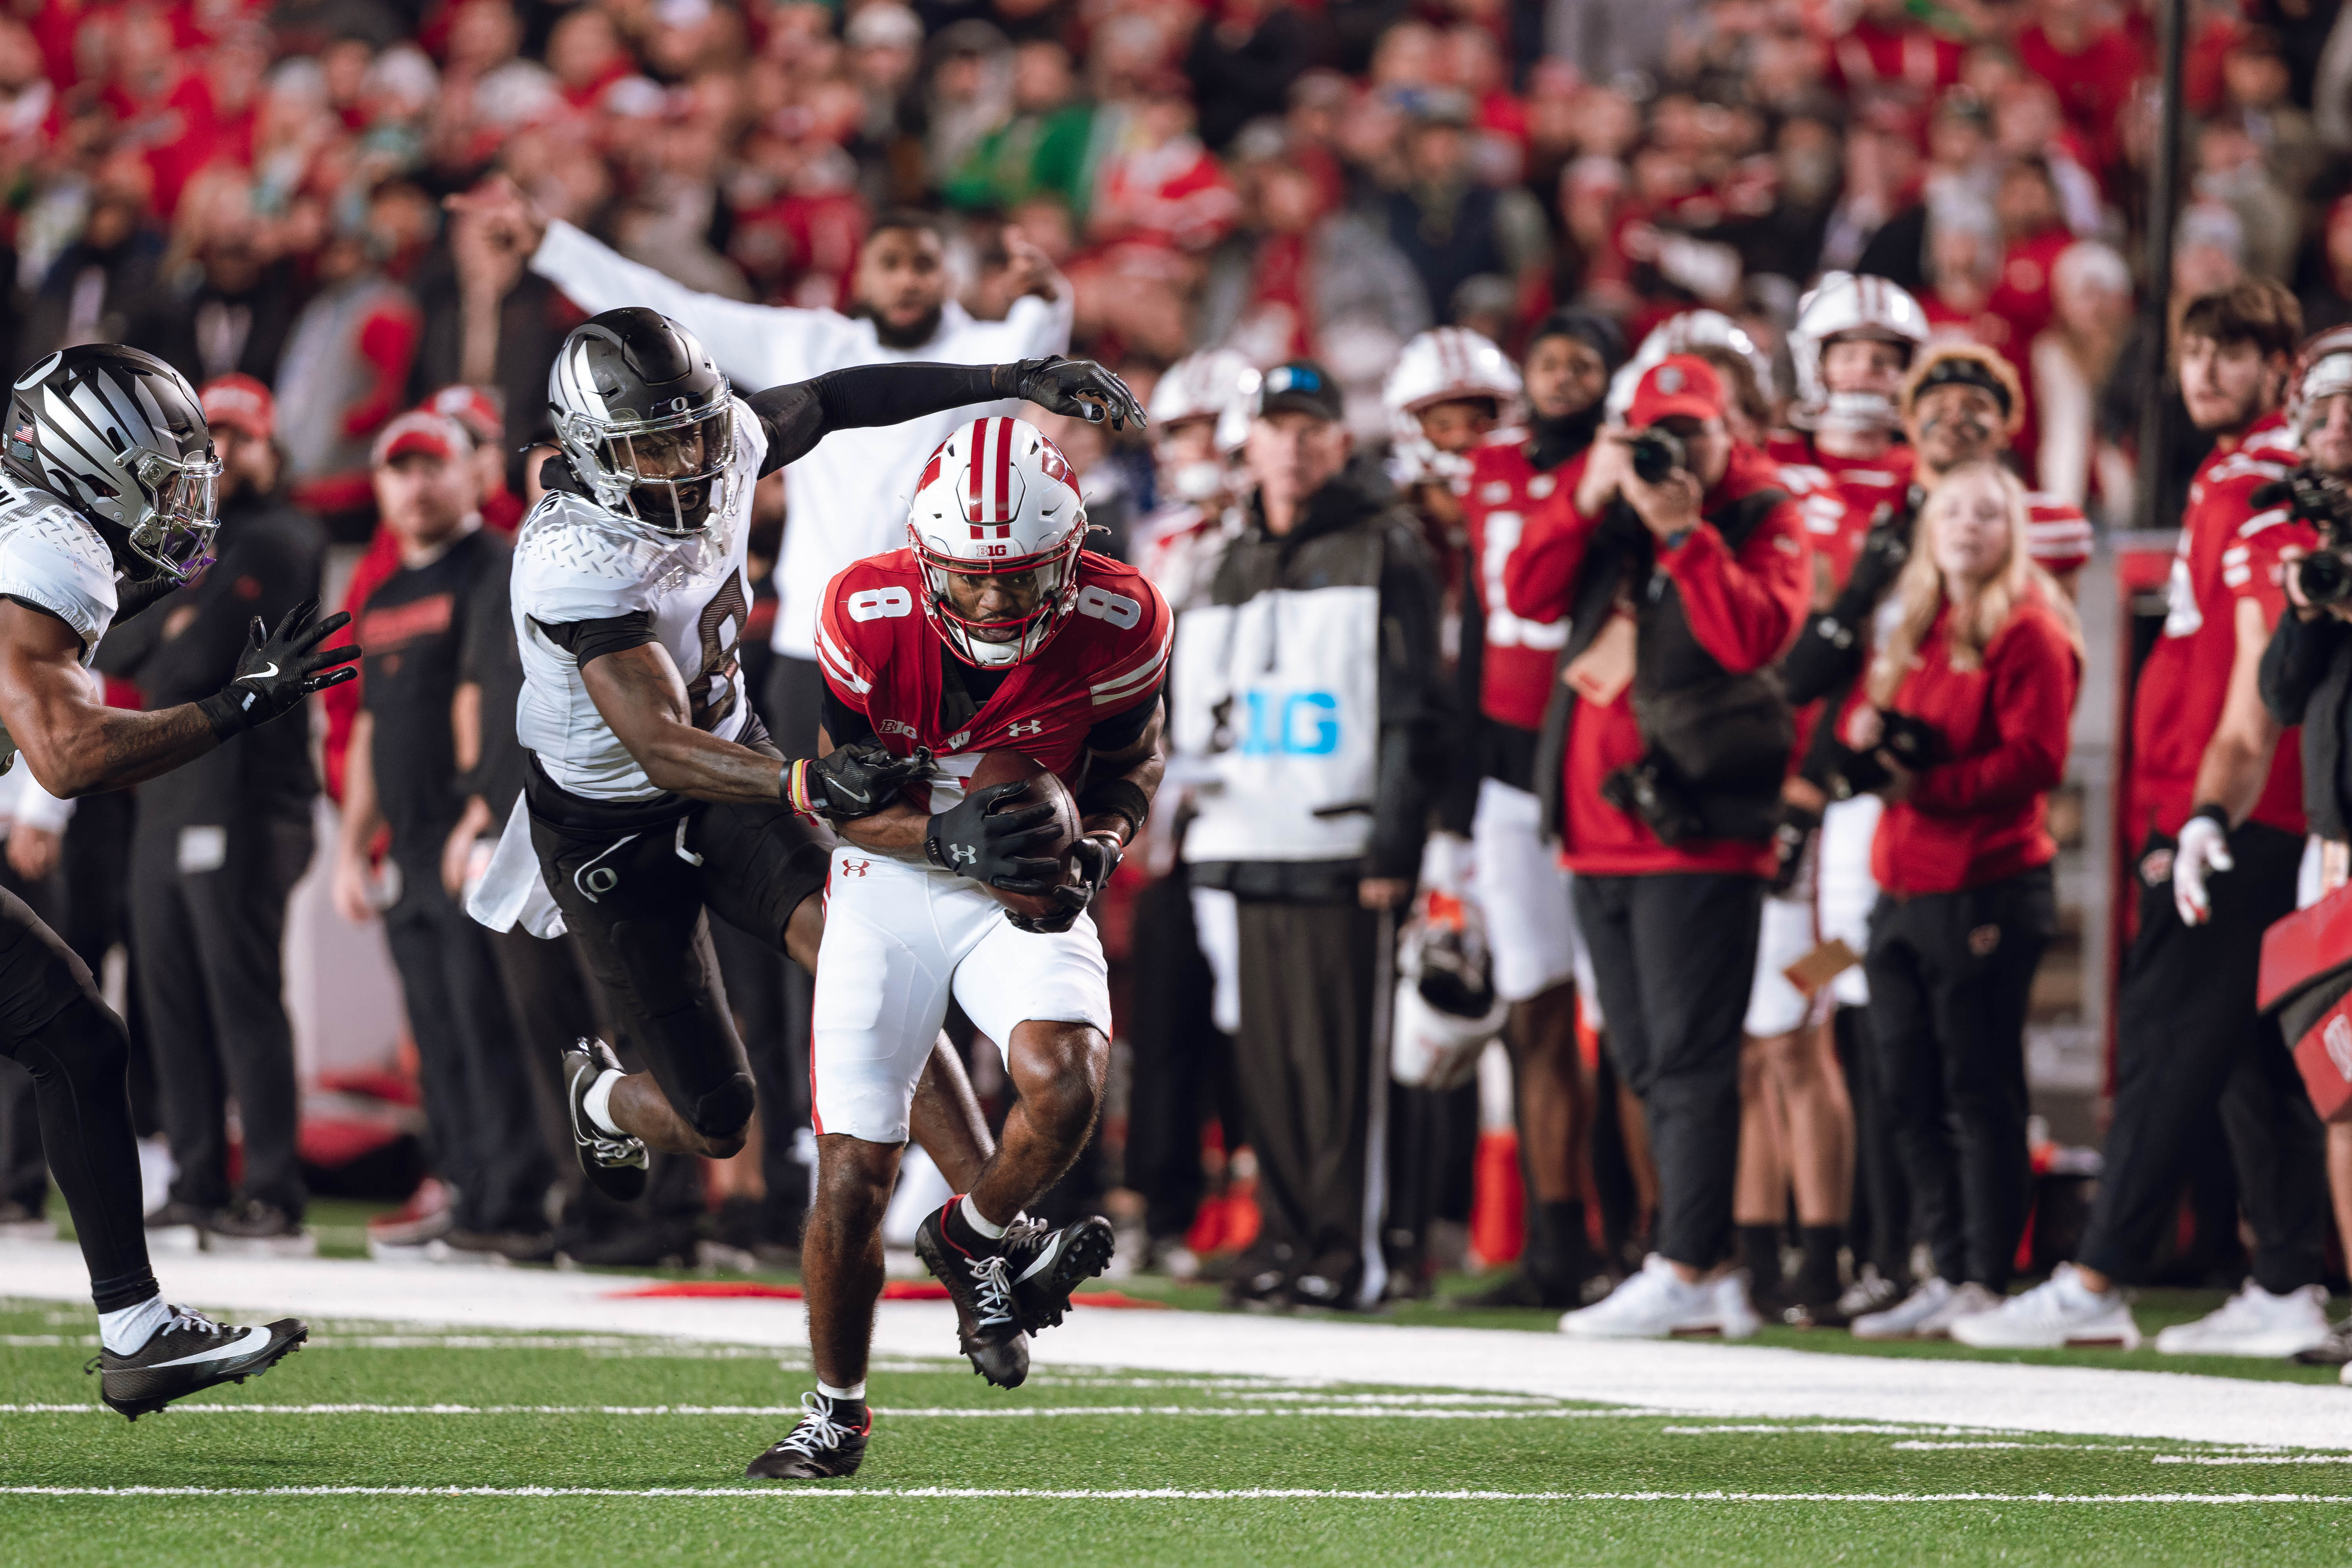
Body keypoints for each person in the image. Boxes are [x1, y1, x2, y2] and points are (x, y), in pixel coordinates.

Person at [455, 309, 1145, 1473]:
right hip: (614, 812)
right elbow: (657, 740)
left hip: (732, 763)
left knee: (861, 951)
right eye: (652, 447)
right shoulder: (570, 557)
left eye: (689, 436)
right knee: (719, 1122)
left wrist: (1005, 376)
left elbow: (830, 398)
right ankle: (604, 1103)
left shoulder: (717, 438)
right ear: (583, 446)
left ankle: (982, 1236)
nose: (684, 463)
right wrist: (800, 777)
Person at [775, 407, 1170, 1481]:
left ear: (1070, 554)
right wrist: (935, 832)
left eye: (1018, 574)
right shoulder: (866, 607)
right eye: (967, 575)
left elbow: (1134, 756)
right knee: (854, 1166)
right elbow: (839, 797)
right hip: (890, 878)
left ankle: (971, 1232)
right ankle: (836, 1414)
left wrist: (1100, 839)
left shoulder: (1121, 610)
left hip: (1025, 882)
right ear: (922, 557)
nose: (991, 598)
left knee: (1070, 1075)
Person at [1956, 280, 2334, 1356]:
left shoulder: (2265, 480)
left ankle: (2097, 1274)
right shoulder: (2231, 473)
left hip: (2234, 803)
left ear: (2279, 368)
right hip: (2222, 796)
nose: (2203, 371)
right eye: (2192, 351)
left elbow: (2258, 672)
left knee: (2171, 1029)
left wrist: (2201, 806)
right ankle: (2282, 1281)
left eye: (2231, 352)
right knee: (2241, 1052)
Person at [0, 343, 354, 1416]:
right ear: (90, 460)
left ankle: (138, 1329)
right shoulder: (51, 541)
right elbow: (66, 753)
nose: (179, 501)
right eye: (161, 474)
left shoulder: (33, 524)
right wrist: (235, 706)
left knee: (77, 1036)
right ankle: (136, 1328)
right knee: (75, 1035)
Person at [445, 178, 1073, 755]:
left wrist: (1050, 296)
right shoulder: (812, 346)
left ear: (952, 280)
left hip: (946, 640)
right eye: (890, 264)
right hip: (817, 641)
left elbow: (1039, 346)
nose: (907, 281)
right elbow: (673, 310)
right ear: (858, 278)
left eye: (924, 265)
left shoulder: (984, 358)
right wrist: (552, 245)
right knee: (823, 833)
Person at [1506, 354, 1811, 1339]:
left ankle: (1682, 1259)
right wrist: (1583, 497)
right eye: (1653, 431)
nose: (1671, 452)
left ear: (1734, 436)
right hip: (1599, 833)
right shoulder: (1609, 507)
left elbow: (1755, 637)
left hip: (1697, 829)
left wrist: (1685, 531)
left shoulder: (1766, 512)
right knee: (1640, 1057)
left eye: (1693, 432)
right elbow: (1529, 592)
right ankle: (1709, 1263)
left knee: (1688, 1055)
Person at [1170, 361, 1448, 1314]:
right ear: (1248, 443)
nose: (1293, 443)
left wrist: (1395, 842)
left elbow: (1416, 708)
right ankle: (1284, 1237)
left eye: (1311, 426)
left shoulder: (1389, 545)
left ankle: (1348, 1247)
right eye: (1275, 426)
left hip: (1343, 840)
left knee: (1342, 1067)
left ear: (1339, 439)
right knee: (1272, 1063)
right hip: (1246, 831)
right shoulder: (1224, 554)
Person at [1838, 463, 2082, 1340]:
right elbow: (1867, 731)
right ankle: (1944, 1266)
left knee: (1979, 1084)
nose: (1967, 526)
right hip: (1900, 881)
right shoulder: (1914, 625)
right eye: (1952, 510)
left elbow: (2037, 760)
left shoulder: (2030, 628)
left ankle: (1987, 1272)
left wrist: (1925, 780)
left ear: (2013, 530)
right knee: (1906, 1084)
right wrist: (1865, 741)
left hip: (1985, 877)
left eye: (1988, 512)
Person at [96, 373, 325, 1252]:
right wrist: (173, 633)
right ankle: (195, 1180)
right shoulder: (182, 549)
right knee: (170, 996)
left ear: (270, 448)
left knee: (240, 994)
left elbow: (193, 665)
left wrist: (172, 637)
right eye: (209, 437)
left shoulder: (281, 536)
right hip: (169, 793)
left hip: (245, 797)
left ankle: (271, 1188)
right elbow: (113, 642)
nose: (225, 454)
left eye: (241, 436)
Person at [1747, 273, 1929, 1327]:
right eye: (1846, 353)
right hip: (1782, 772)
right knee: (1787, 1010)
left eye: (1881, 356)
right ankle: (1799, 1251)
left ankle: (1878, 1242)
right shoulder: (1771, 473)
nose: (1863, 373)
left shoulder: (1928, 482)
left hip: (1874, 779)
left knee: (1857, 994)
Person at [332, 408, 555, 1260]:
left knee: (484, 1023)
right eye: (400, 468)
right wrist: (356, 848)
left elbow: (488, 706)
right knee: (437, 1029)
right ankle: (466, 1192)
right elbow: (368, 735)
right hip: (412, 849)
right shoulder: (382, 593)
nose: (416, 485)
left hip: (476, 839)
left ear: (475, 475)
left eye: (434, 465)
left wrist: (480, 814)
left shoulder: (493, 568)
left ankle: (515, 1202)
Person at [1444, 309, 1625, 1310]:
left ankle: (1646, 1239)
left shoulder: (1627, 460)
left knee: (1626, 1026)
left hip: (1599, 764)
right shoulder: (1495, 469)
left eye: (1582, 361)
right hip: (1513, 770)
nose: (1564, 375)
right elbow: (1478, 620)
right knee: (1536, 1008)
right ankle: (1558, 1241)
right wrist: (1461, 797)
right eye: (1550, 359)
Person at [2250, 326, 2352, 1368]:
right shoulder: (2315, 547)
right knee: (2341, 1089)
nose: (2337, 434)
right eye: (2324, 416)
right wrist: (2308, 600)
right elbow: (2279, 695)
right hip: (2331, 850)